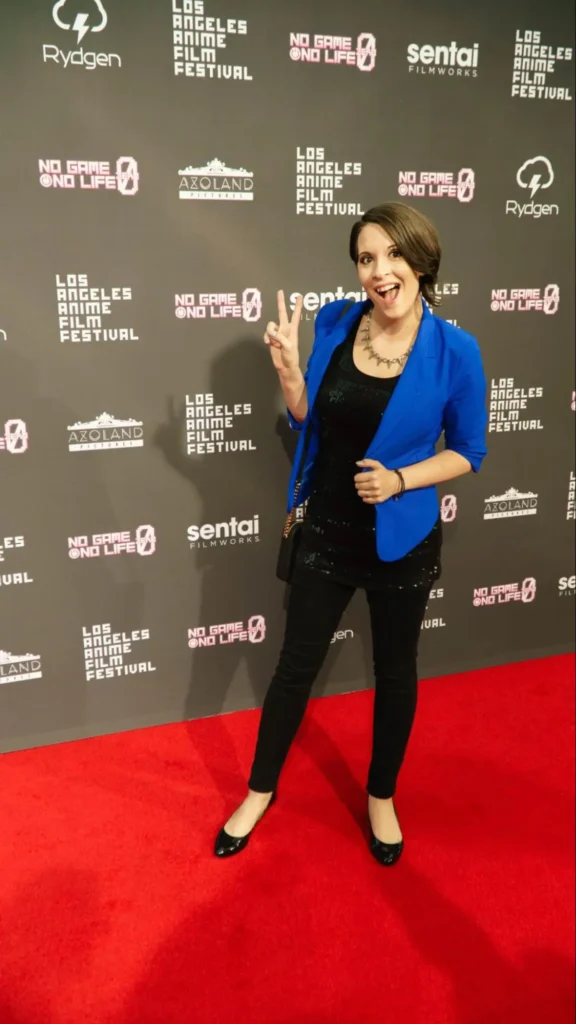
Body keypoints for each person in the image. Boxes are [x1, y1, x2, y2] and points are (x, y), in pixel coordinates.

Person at [214, 202, 487, 866]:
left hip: (402, 538)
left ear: (422, 261)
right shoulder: (338, 321)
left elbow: (469, 453)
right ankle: (259, 789)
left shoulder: (456, 350)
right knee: (293, 668)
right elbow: (312, 416)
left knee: (396, 673)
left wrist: (398, 481)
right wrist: (287, 370)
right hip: (328, 532)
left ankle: (382, 797)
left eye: (393, 255)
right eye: (366, 258)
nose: (379, 271)